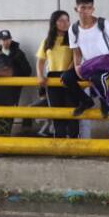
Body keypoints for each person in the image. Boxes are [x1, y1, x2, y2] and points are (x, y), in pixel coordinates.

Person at [62, 0, 109, 119]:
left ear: (93, 9)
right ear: (76, 9)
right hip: (88, 66)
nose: (86, 11)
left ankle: (105, 102)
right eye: (83, 8)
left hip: (106, 65)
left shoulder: (102, 23)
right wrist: (77, 67)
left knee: (97, 78)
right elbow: (76, 52)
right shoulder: (73, 29)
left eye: (89, 8)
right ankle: (86, 101)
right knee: (66, 77)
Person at [36, 11, 78, 139]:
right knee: (56, 111)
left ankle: (73, 143)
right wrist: (40, 75)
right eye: (61, 20)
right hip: (53, 77)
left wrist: (68, 73)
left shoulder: (73, 38)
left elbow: (77, 58)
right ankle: (59, 142)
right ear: (54, 23)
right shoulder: (47, 41)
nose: (65, 23)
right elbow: (41, 60)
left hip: (70, 76)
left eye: (67, 20)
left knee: (72, 111)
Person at [0, 29, 34, 135]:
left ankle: (6, 133)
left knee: (11, 110)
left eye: (7, 39)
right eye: (3, 40)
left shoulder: (19, 53)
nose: (5, 42)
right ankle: (0, 135)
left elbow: (28, 70)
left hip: (14, 88)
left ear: (11, 39)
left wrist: (17, 73)